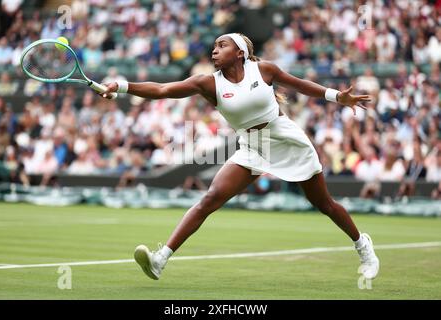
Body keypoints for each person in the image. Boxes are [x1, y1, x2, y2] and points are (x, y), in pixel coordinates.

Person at [100, 33, 379, 281]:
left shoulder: (264, 70)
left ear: (240, 52)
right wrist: (122, 86)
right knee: (210, 199)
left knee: (324, 204)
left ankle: (363, 246)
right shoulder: (208, 84)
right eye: (213, 47)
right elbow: (162, 90)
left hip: (285, 139)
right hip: (251, 146)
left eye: (222, 45)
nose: (214, 51)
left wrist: (336, 97)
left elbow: (299, 84)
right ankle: (160, 260)